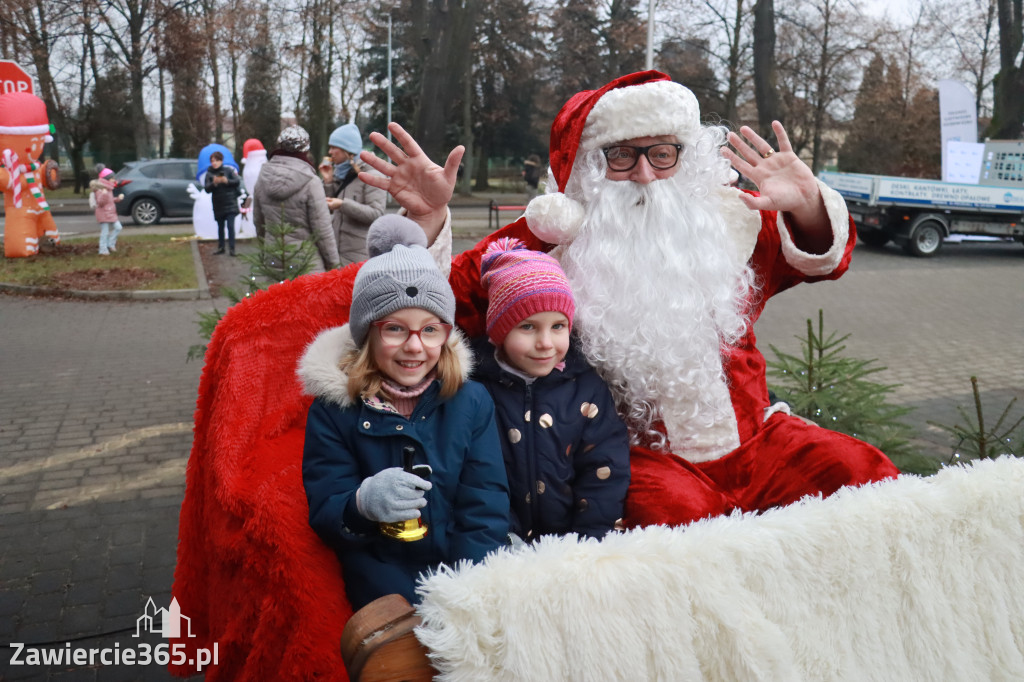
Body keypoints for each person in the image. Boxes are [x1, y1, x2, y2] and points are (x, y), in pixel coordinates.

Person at [356, 70, 900, 530]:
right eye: (621, 156)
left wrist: (806, 206)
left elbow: (822, 257)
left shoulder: (725, 225)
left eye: (663, 154)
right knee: (679, 527)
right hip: (631, 457)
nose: (645, 174)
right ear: (591, 168)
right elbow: (441, 302)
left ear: (686, 158)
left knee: (861, 476)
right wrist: (426, 222)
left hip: (758, 439)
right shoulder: (552, 239)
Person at [299, 214, 510, 610]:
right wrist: (361, 505)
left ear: (446, 335)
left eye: (430, 330)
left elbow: (485, 503)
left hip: (467, 584)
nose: (415, 347)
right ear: (367, 334)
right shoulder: (334, 411)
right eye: (395, 329)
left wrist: (465, 590)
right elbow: (327, 507)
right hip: (382, 589)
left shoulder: (471, 401)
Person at [473, 237, 630, 541]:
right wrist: (501, 537)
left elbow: (604, 469)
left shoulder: (586, 388)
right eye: (528, 327)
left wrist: (592, 540)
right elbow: (476, 477)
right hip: (501, 543)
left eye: (558, 326)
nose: (546, 343)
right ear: (500, 332)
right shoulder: (478, 390)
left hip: (573, 545)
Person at [252, 125, 340, 273]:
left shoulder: (262, 178)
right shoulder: (311, 181)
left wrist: (266, 250)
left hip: (273, 260)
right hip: (306, 265)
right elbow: (322, 231)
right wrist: (334, 266)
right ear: (305, 149)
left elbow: (259, 222)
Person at [319, 123, 387, 266]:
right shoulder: (342, 174)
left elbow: (376, 213)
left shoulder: (372, 176)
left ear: (347, 150)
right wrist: (328, 182)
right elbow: (329, 208)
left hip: (359, 258)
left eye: (333, 148)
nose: (330, 152)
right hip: (337, 255)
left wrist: (343, 204)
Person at [204, 151, 242, 256]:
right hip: (218, 203)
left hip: (230, 203)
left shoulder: (228, 170)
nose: (214, 163)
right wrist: (214, 183)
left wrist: (227, 181)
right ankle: (221, 247)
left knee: (230, 226)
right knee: (220, 227)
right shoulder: (209, 173)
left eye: (217, 160)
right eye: (212, 161)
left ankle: (232, 248)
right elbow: (207, 189)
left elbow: (237, 181)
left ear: (221, 161)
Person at [93, 168, 123, 255]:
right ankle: (103, 249)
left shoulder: (109, 189)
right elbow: (100, 203)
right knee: (105, 232)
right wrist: (104, 194)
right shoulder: (101, 190)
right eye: (112, 178)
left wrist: (117, 199)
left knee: (118, 227)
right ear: (107, 179)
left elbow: (109, 200)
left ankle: (110, 243)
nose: (114, 180)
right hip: (103, 214)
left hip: (110, 213)